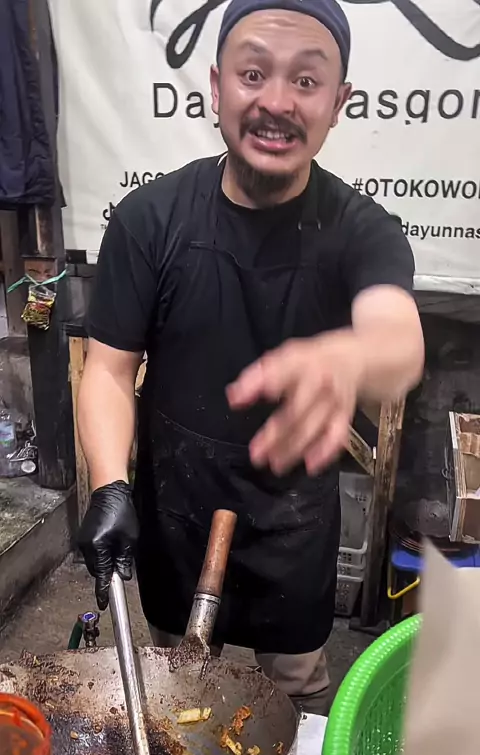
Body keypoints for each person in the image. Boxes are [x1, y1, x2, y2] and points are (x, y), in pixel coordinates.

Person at [78, 0, 424, 713]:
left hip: (292, 529)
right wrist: (110, 487)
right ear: (216, 86)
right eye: (254, 73)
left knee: (292, 700)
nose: (277, 102)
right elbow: (108, 369)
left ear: (339, 104)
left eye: (306, 81)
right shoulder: (150, 220)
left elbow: (399, 338)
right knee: (174, 692)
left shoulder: (362, 230)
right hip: (176, 514)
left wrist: (352, 355)